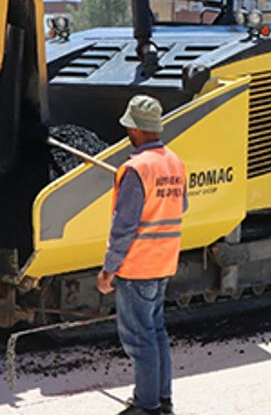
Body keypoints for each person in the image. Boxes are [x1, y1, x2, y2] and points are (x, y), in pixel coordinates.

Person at [96, 95, 188, 415]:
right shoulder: (175, 162)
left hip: (138, 266)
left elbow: (124, 226)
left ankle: (147, 406)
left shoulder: (135, 168)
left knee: (138, 339)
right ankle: (162, 400)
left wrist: (109, 269)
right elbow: (181, 207)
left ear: (134, 129)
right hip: (164, 261)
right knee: (156, 331)